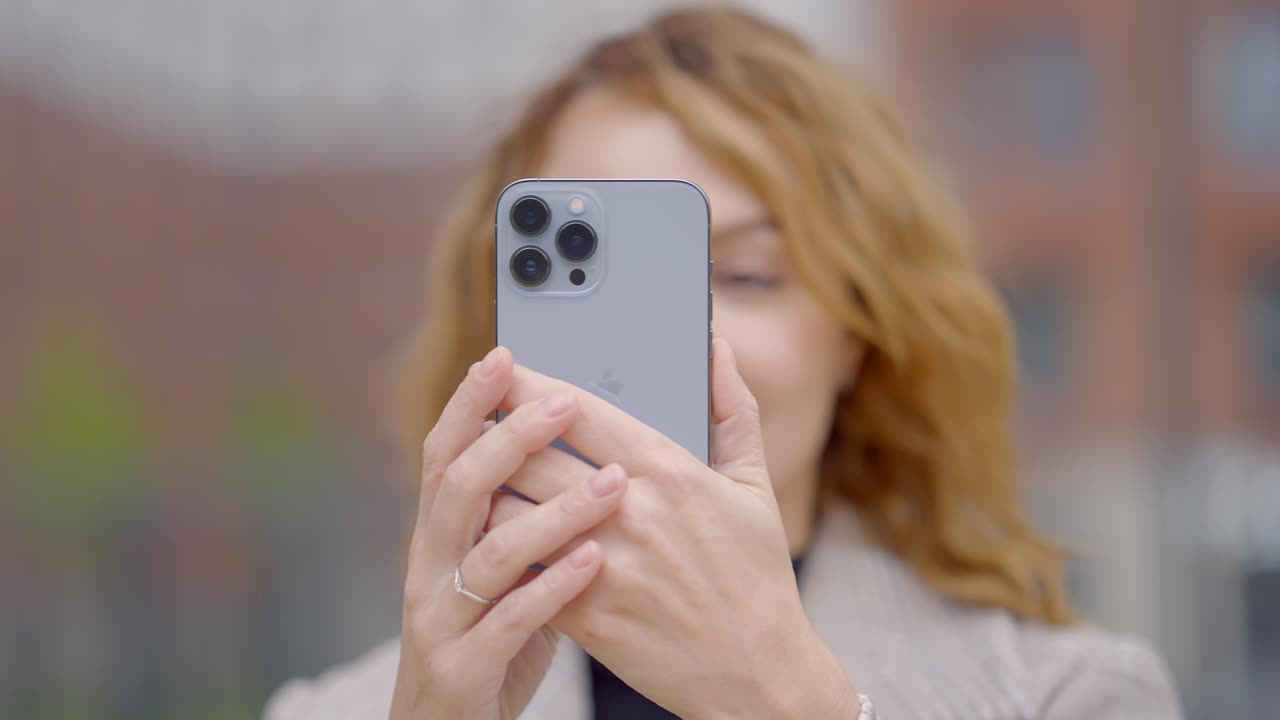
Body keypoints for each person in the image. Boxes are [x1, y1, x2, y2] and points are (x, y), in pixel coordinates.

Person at [264, 7, 1182, 719]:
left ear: (859, 332)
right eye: (604, 284)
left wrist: (792, 706)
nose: (680, 337)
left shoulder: (1077, 695)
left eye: (746, 274)